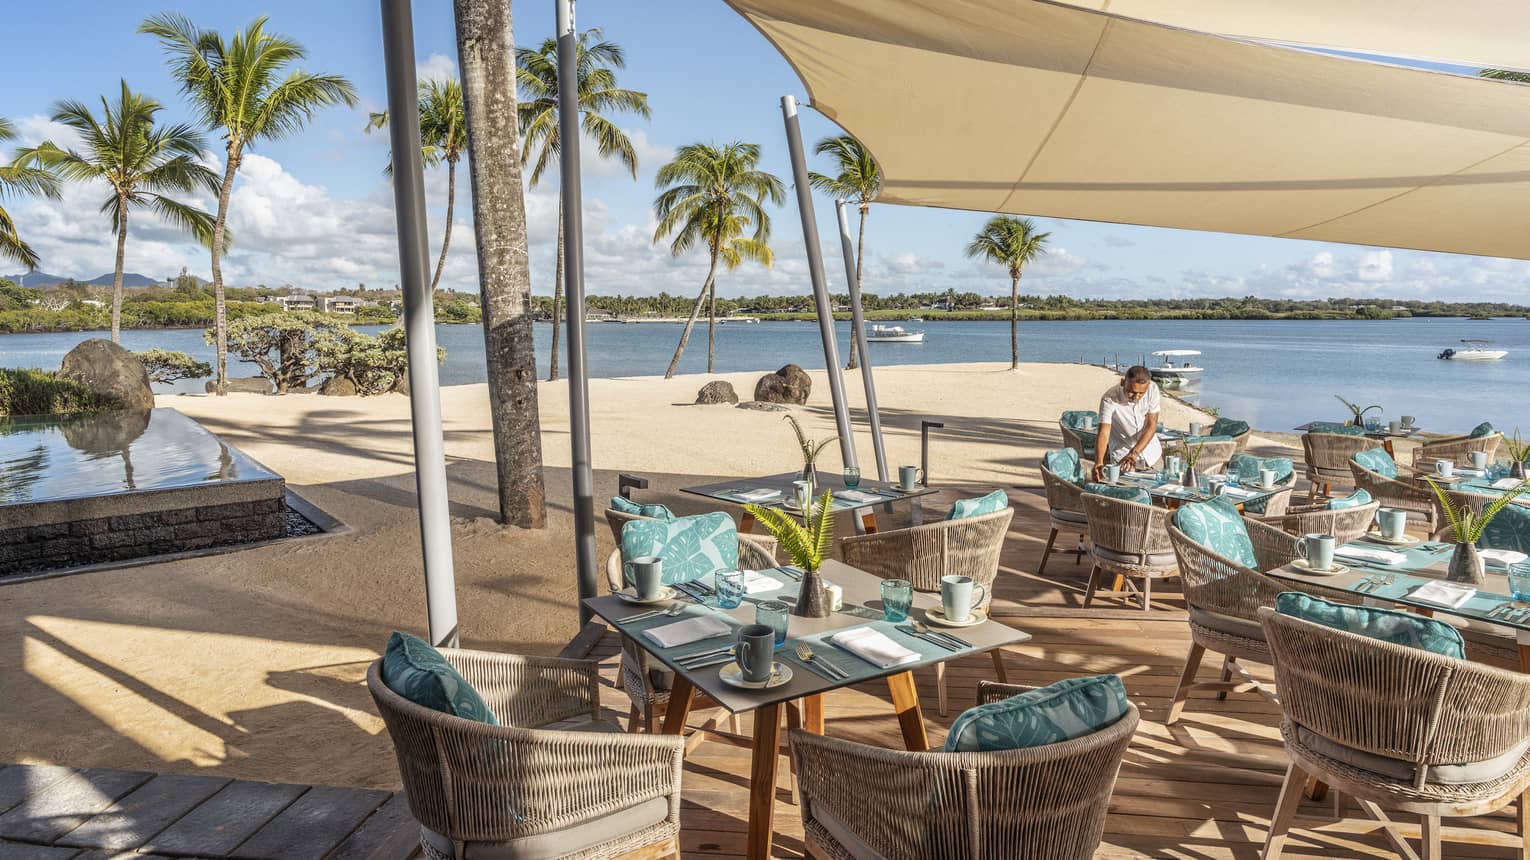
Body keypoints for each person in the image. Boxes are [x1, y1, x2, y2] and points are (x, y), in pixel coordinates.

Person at [1092, 366, 1162, 480]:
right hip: (1122, 458)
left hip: (1152, 453)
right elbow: (1104, 432)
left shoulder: (1153, 389)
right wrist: (1099, 462)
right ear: (1123, 382)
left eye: (1141, 393)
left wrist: (1134, 453)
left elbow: (1151, 425)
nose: (1136, 397)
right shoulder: (1109, 399)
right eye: (1131, 392)